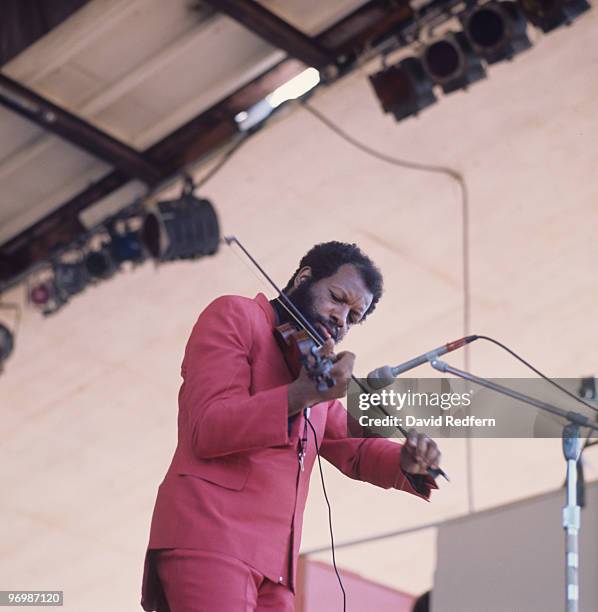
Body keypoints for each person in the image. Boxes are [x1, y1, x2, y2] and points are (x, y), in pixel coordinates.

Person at [140, 241, 442, 612]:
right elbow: (209, 427)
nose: (340, 319)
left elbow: (354, 449)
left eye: (353, 317)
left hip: (277, 569)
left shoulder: (315, 371)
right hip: (212, 535)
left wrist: (407, 463)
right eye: (336, 298)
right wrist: (299, 395)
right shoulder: (237, 316)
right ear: (304, 277)